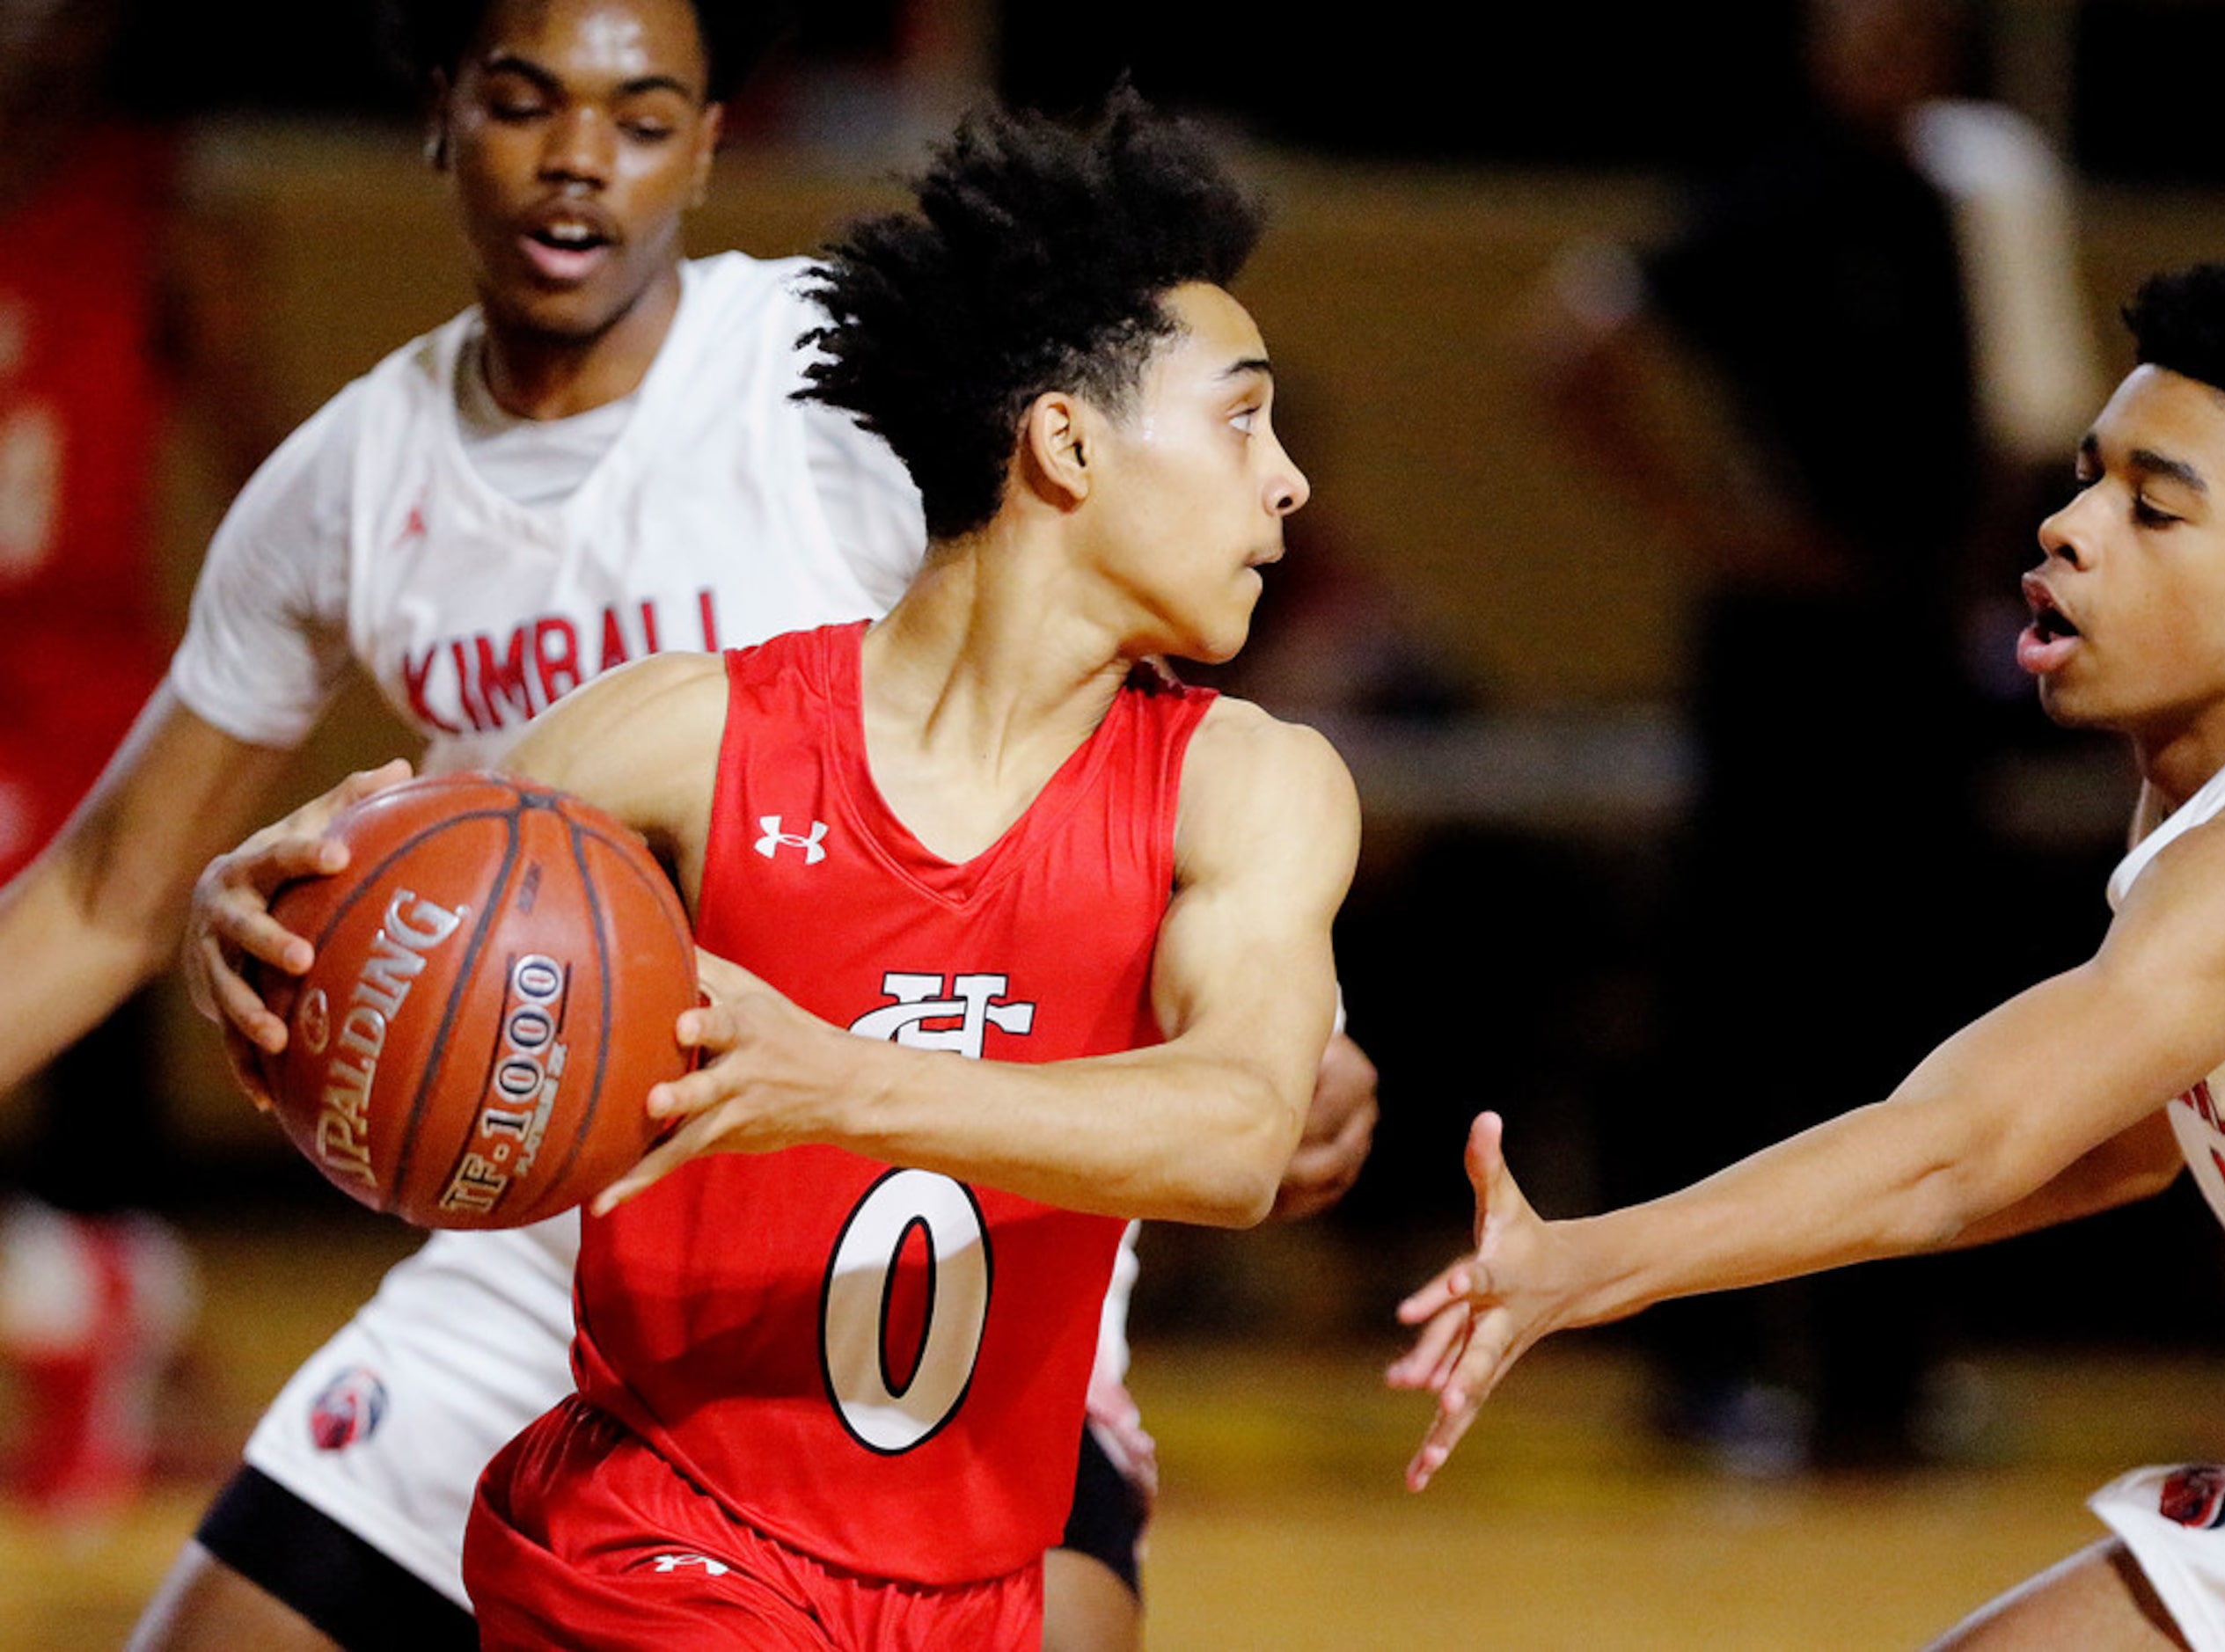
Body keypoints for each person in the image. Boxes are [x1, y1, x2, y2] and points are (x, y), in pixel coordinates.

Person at [0, 0, 1377, 1645]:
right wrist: (288, 907)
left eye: (643, 116)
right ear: (442, 111)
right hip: (575, 1185)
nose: (581, 160)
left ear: (713, 142)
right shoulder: (360, 480)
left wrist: (1277, 1015)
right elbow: (117, 890)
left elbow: (1090, 664)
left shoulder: (832, 381)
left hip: (950, 1199)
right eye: (525, 101)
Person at [1394, 255, 2225, 1649]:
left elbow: (1962, 1144)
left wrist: (1591, 1260)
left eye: (2152, 507)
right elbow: (2126, 1134)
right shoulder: (2200, 811)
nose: (2067, 527)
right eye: (2082, 479)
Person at [1528, 0, 2099, 1471]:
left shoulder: (1963, 198)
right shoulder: (1759, 201)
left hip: (1913, 668)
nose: (1878, 54)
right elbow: (1564, 351)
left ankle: (1880, 1374)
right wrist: (1710, 527)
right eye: (1855, 29)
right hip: (1781, 673)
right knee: (1739, 1002)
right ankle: (1706, 1364)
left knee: (1914, 1014)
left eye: (1905, 31)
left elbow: (2024, 425)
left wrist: (1985, 584)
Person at [0, 0, 280, 1517]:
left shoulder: (161, 209)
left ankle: (111, 1312)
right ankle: (105, 1307)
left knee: (93, 1096)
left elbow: (273, 468)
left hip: (87, 701)